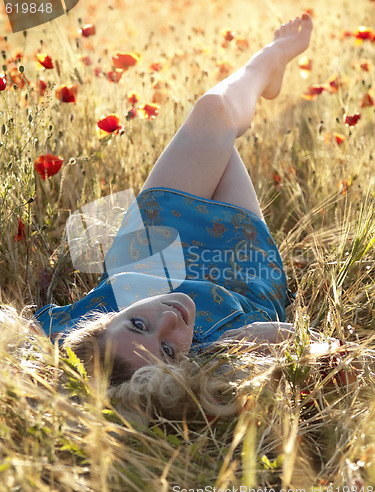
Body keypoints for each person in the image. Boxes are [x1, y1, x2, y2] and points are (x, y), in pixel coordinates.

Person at [34, 14, 316, 385]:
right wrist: (229, 346)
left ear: (101, 323)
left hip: (148, 263)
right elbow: (316, 347)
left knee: (214, 115)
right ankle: (267, 62)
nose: (169, 320)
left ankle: (259, 75)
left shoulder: (69, 338)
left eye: (138, 324)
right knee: (217, 122)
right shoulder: (222, 355)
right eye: (167, 349)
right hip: (236, 274)